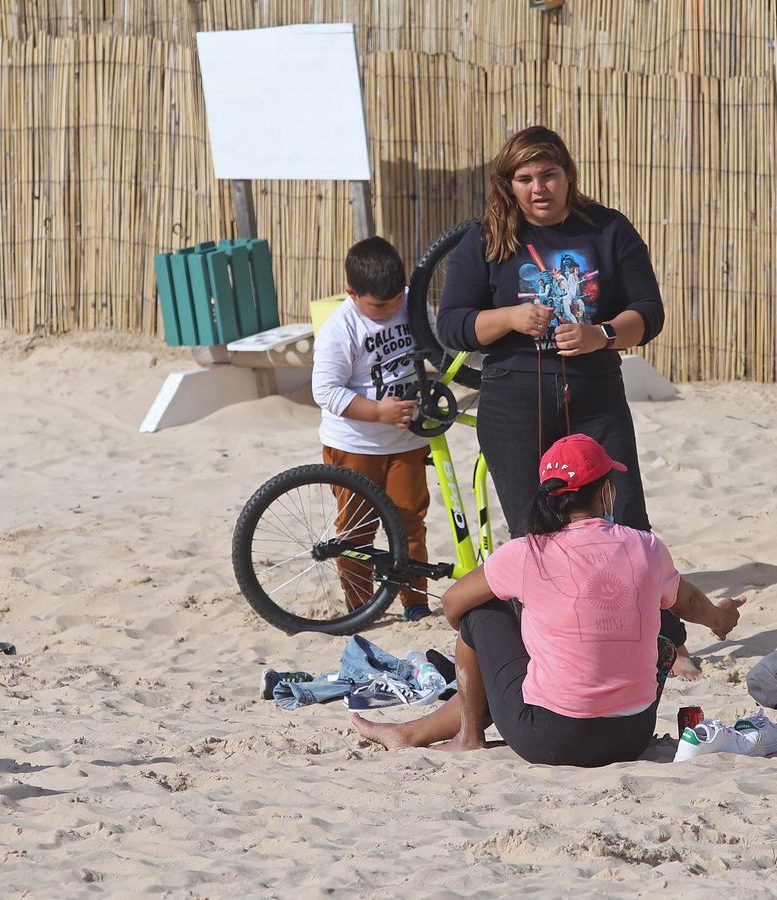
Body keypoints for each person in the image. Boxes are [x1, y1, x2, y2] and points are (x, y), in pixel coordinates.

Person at [435, 125, 702, 674]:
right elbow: (453, 325)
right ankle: (555, 642)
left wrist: (601, 334)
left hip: (595, 394)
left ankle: (665, 640)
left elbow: (648, 312)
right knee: (534, 529)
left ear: (568, 176)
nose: (539, 188)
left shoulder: (607, 229)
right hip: (513, 400)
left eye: (549, 175)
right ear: (507, 184)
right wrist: (509, 317)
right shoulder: (485, 240)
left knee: (626, 518)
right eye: (525, 178)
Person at [352, 435, 745, 766]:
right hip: (632, 734)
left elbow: (454, 604)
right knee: (657, 646)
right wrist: (720, 619)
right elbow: (688, 601)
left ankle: (467, 738)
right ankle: (413, 732)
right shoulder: (646, 546)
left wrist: (492, 649)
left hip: (552, 738)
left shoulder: (528, 551)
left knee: (480, 613)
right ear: (605, 490)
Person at [312, 237, 434, 622]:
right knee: (356, 531)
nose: (391, 310)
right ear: (351, 293)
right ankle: (362, 607)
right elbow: (326, 391)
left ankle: (415, 601)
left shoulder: (413, 304)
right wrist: (378, 411)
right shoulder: (340, 327)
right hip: (354, 445)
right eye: (378, 306)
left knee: (410, 522)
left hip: (407, 441)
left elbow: (440, 345)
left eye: (396, 300)